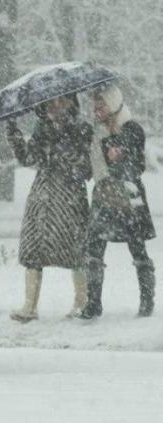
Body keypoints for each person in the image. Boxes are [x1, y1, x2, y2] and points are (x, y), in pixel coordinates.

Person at [7, 94, 93, 322]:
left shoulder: (82, 129)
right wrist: (14, 132)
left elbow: (87, 169)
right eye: (50, 102)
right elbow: (28, 159)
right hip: (42, 197)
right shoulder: (42, 128)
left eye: (61, 101)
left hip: (70, 198)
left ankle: (81, 302)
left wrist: (65, 147)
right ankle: (30, 306)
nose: (55, 106)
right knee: (33, 250)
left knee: (76, 250)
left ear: (72, 103)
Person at [80, 84, 156, 318]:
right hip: (103, 194)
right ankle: (93, 303)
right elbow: (88, 169)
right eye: (94, 103)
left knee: (137, 248)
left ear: (112, 103)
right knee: (94, 248)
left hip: (127, 196)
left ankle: (146, 301)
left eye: (100, 103)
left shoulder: (131, 128)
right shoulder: (96, 132)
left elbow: (137, 166)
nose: (96, 108)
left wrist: (118, 157)